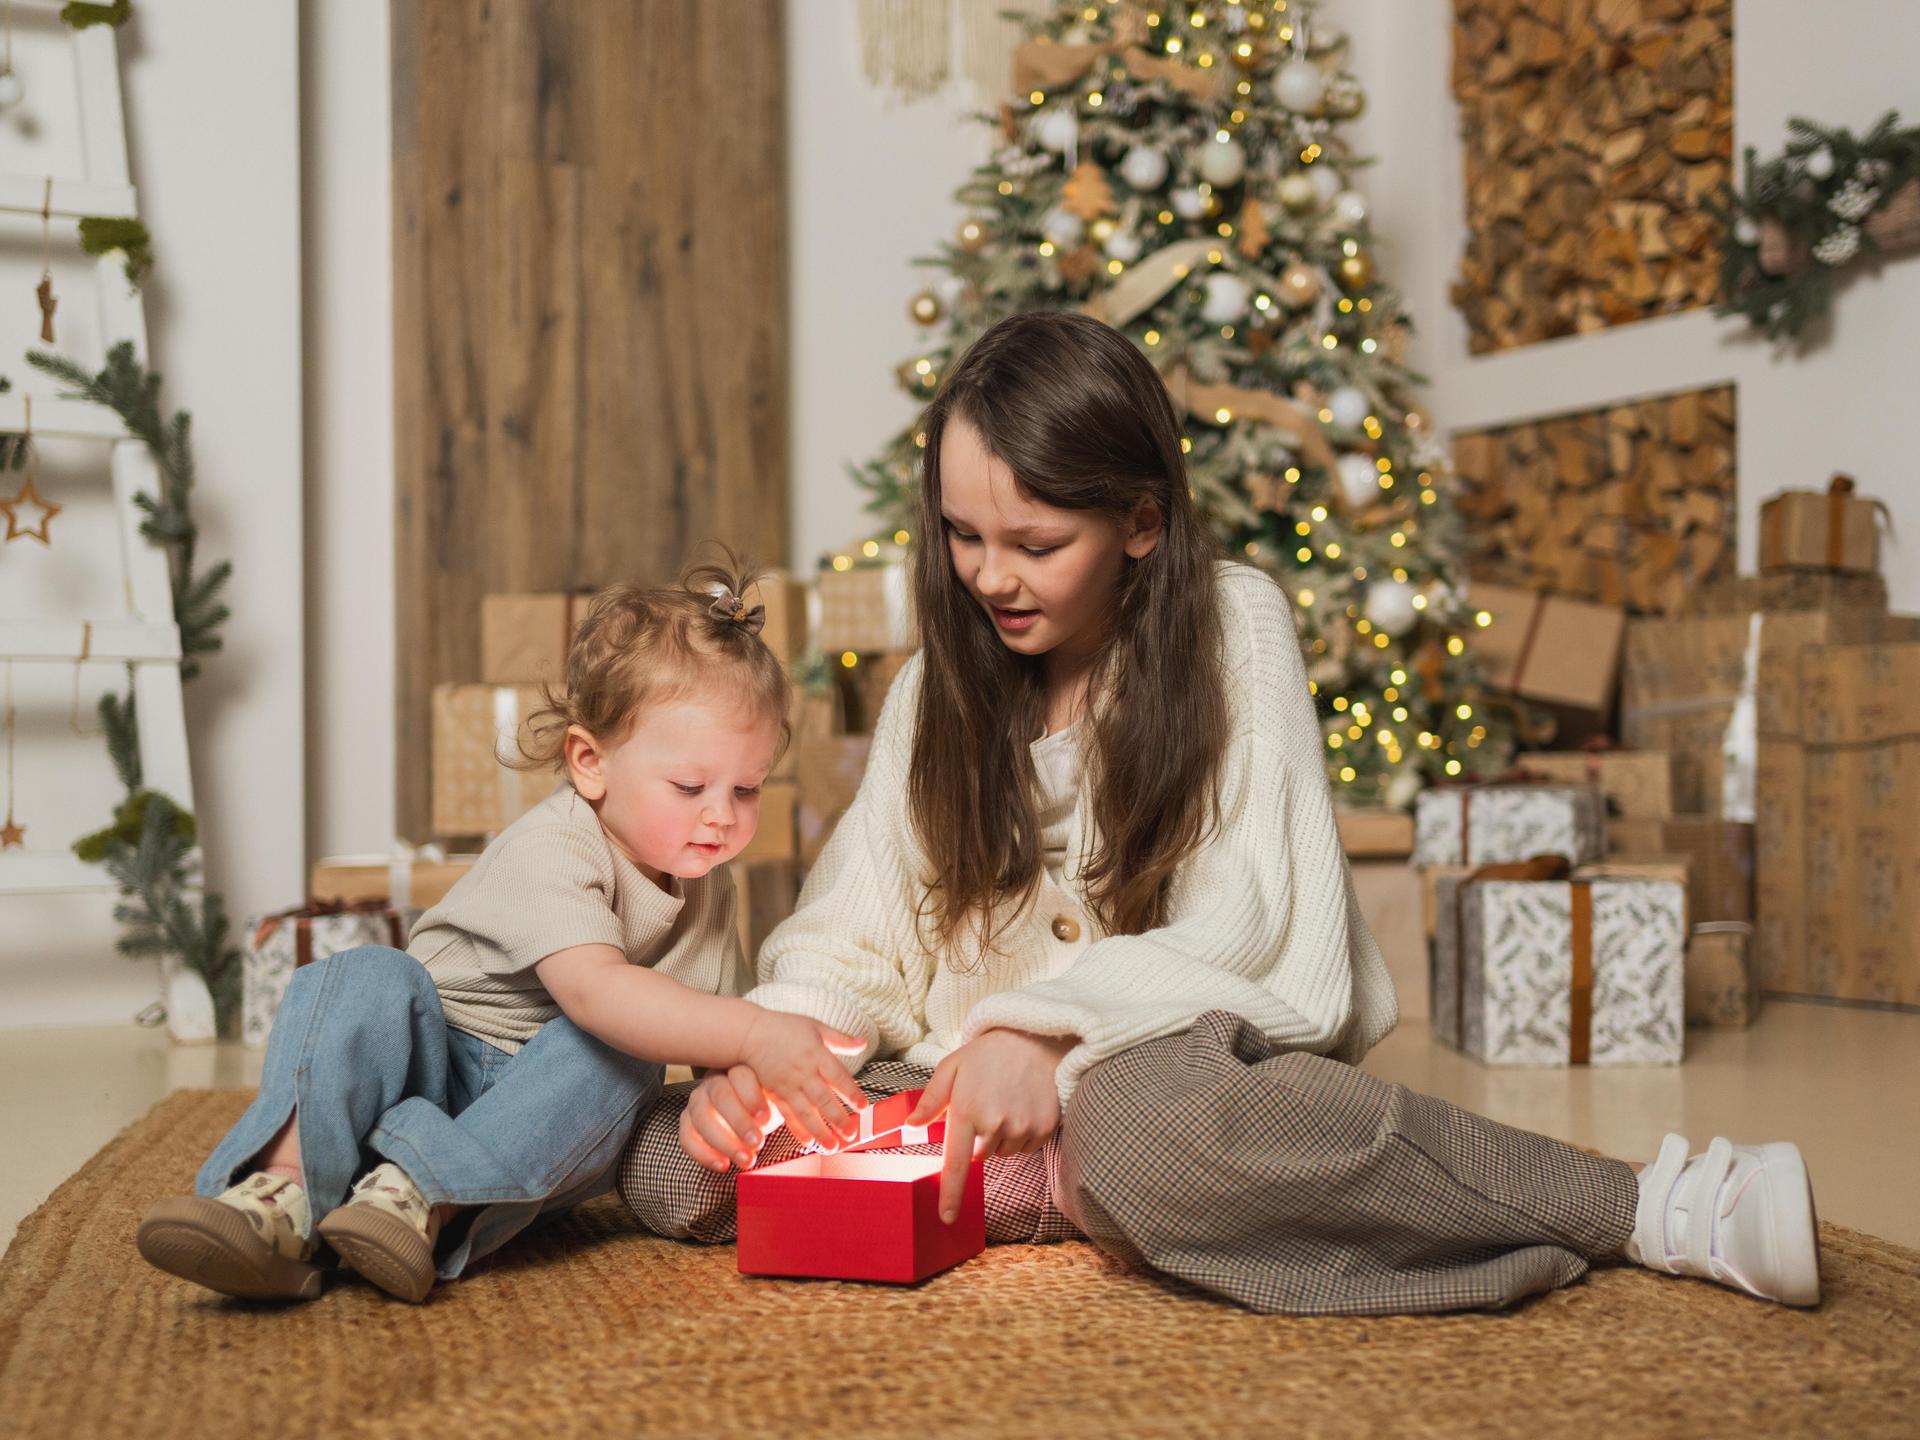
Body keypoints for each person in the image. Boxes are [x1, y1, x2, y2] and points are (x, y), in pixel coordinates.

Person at [619, 313, 1821, 1315]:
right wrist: (775, 1052)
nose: (991, 577)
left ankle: (1650, 1204)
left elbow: (1257, 932)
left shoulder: (1231, 628)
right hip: (952, 1090)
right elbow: (854, 926)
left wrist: (1040, 1036)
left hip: (1168, 1068)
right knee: (673, 1159)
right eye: (964, 536)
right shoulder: (938, 683)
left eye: (1036, 543)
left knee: (1141, 1135)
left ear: (1141, 523)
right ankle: (1039, 1187)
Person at [137, 560, 867, 1303]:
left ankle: (418, 1201)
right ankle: (282, 1192)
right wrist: (753, 1034)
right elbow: (596, 990)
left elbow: (705, 1029)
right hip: (425, 1062)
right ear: (590, 764)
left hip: (531, 1128)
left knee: (622, 1061)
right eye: (690, 786)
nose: (723, 814)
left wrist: (731, 1091)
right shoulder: (555, 845)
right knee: (365, 976)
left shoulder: (712, 889)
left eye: (746, 789)